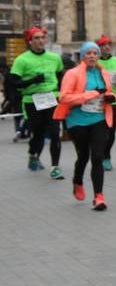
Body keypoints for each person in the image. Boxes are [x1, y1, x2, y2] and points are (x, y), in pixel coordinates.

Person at [53, 42, 116, 210]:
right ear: (82, 56)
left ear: (98, 56)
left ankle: (99, 197)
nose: (91, 56)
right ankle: (77, 181)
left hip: (99, 119)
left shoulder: (102, 72)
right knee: (83, 156)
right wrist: (91, 94)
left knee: (97, 157)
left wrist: (111, 97)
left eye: (94, 53)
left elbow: (107, 91)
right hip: (77, 121)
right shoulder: (72, 74)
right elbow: (64, 97)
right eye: (87, 53)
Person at [10, 26, 64, 179]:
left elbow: (60, 76)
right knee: (38, 133)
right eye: (36, 38)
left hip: (52, 98)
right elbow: (14, 83)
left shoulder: (55, 58)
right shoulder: (22, 60)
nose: (40, 41)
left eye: (42, 38)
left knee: (54, 132)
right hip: (32, 100)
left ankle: (55, 167)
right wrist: (33, 80)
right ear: (30, 41)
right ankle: (33, 154)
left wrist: (60, 91)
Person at [96, 35, 116, 172]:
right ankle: (101, 155)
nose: (107, 47)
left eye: (109, 44)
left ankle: (106, 155)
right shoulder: (95, 62)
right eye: (103, 45)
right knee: (102, 131)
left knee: (112, 131)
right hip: (99, 101)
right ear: (99, 48)